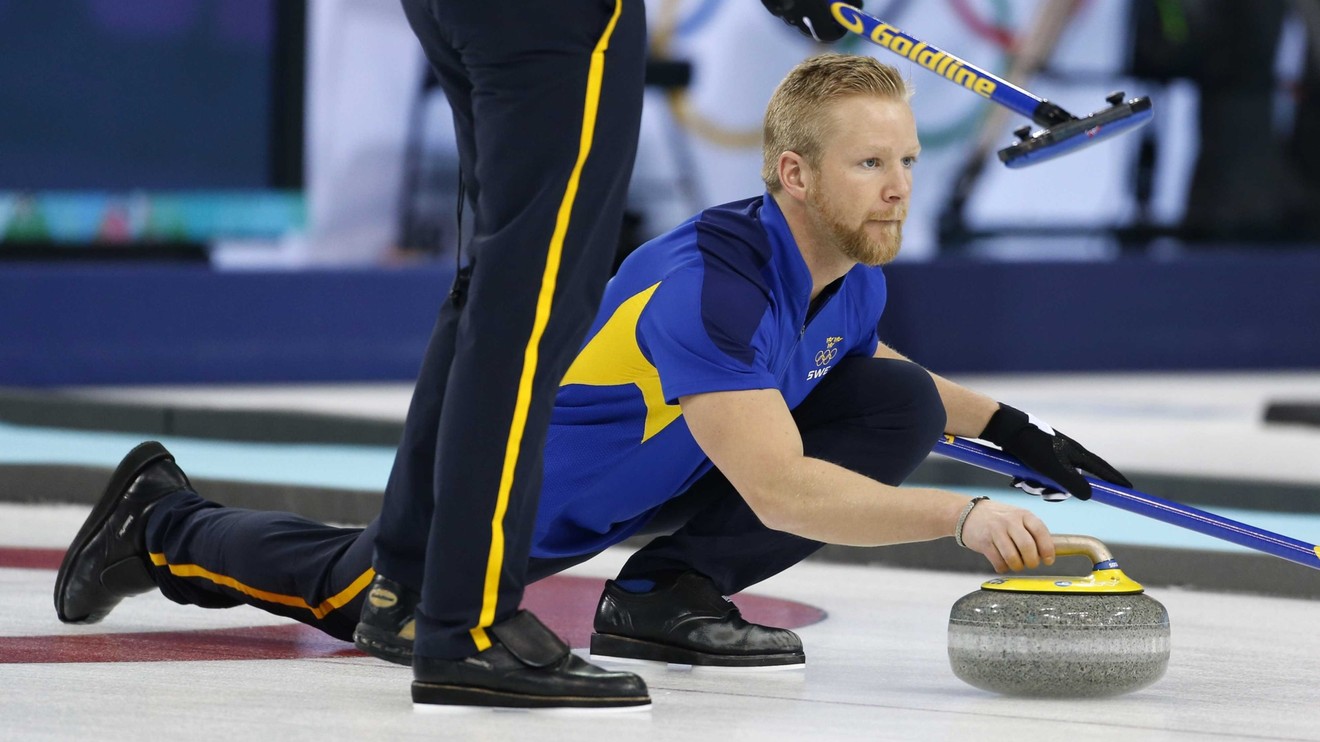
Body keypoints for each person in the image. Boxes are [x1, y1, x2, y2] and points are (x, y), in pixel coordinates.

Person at [54, 52, 1131, 710]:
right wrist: (968, 514)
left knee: (892, 402)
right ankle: (163, 522)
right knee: (362, 592)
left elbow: (867, 369)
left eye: (905, 162)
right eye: (869, 165)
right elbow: (783, 491)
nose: (898, 189)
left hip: (640, 486)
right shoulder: (715, 288)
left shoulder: (840, 272)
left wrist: (1013, 426)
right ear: (792, 174)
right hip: (514, 507)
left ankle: (666, 595)